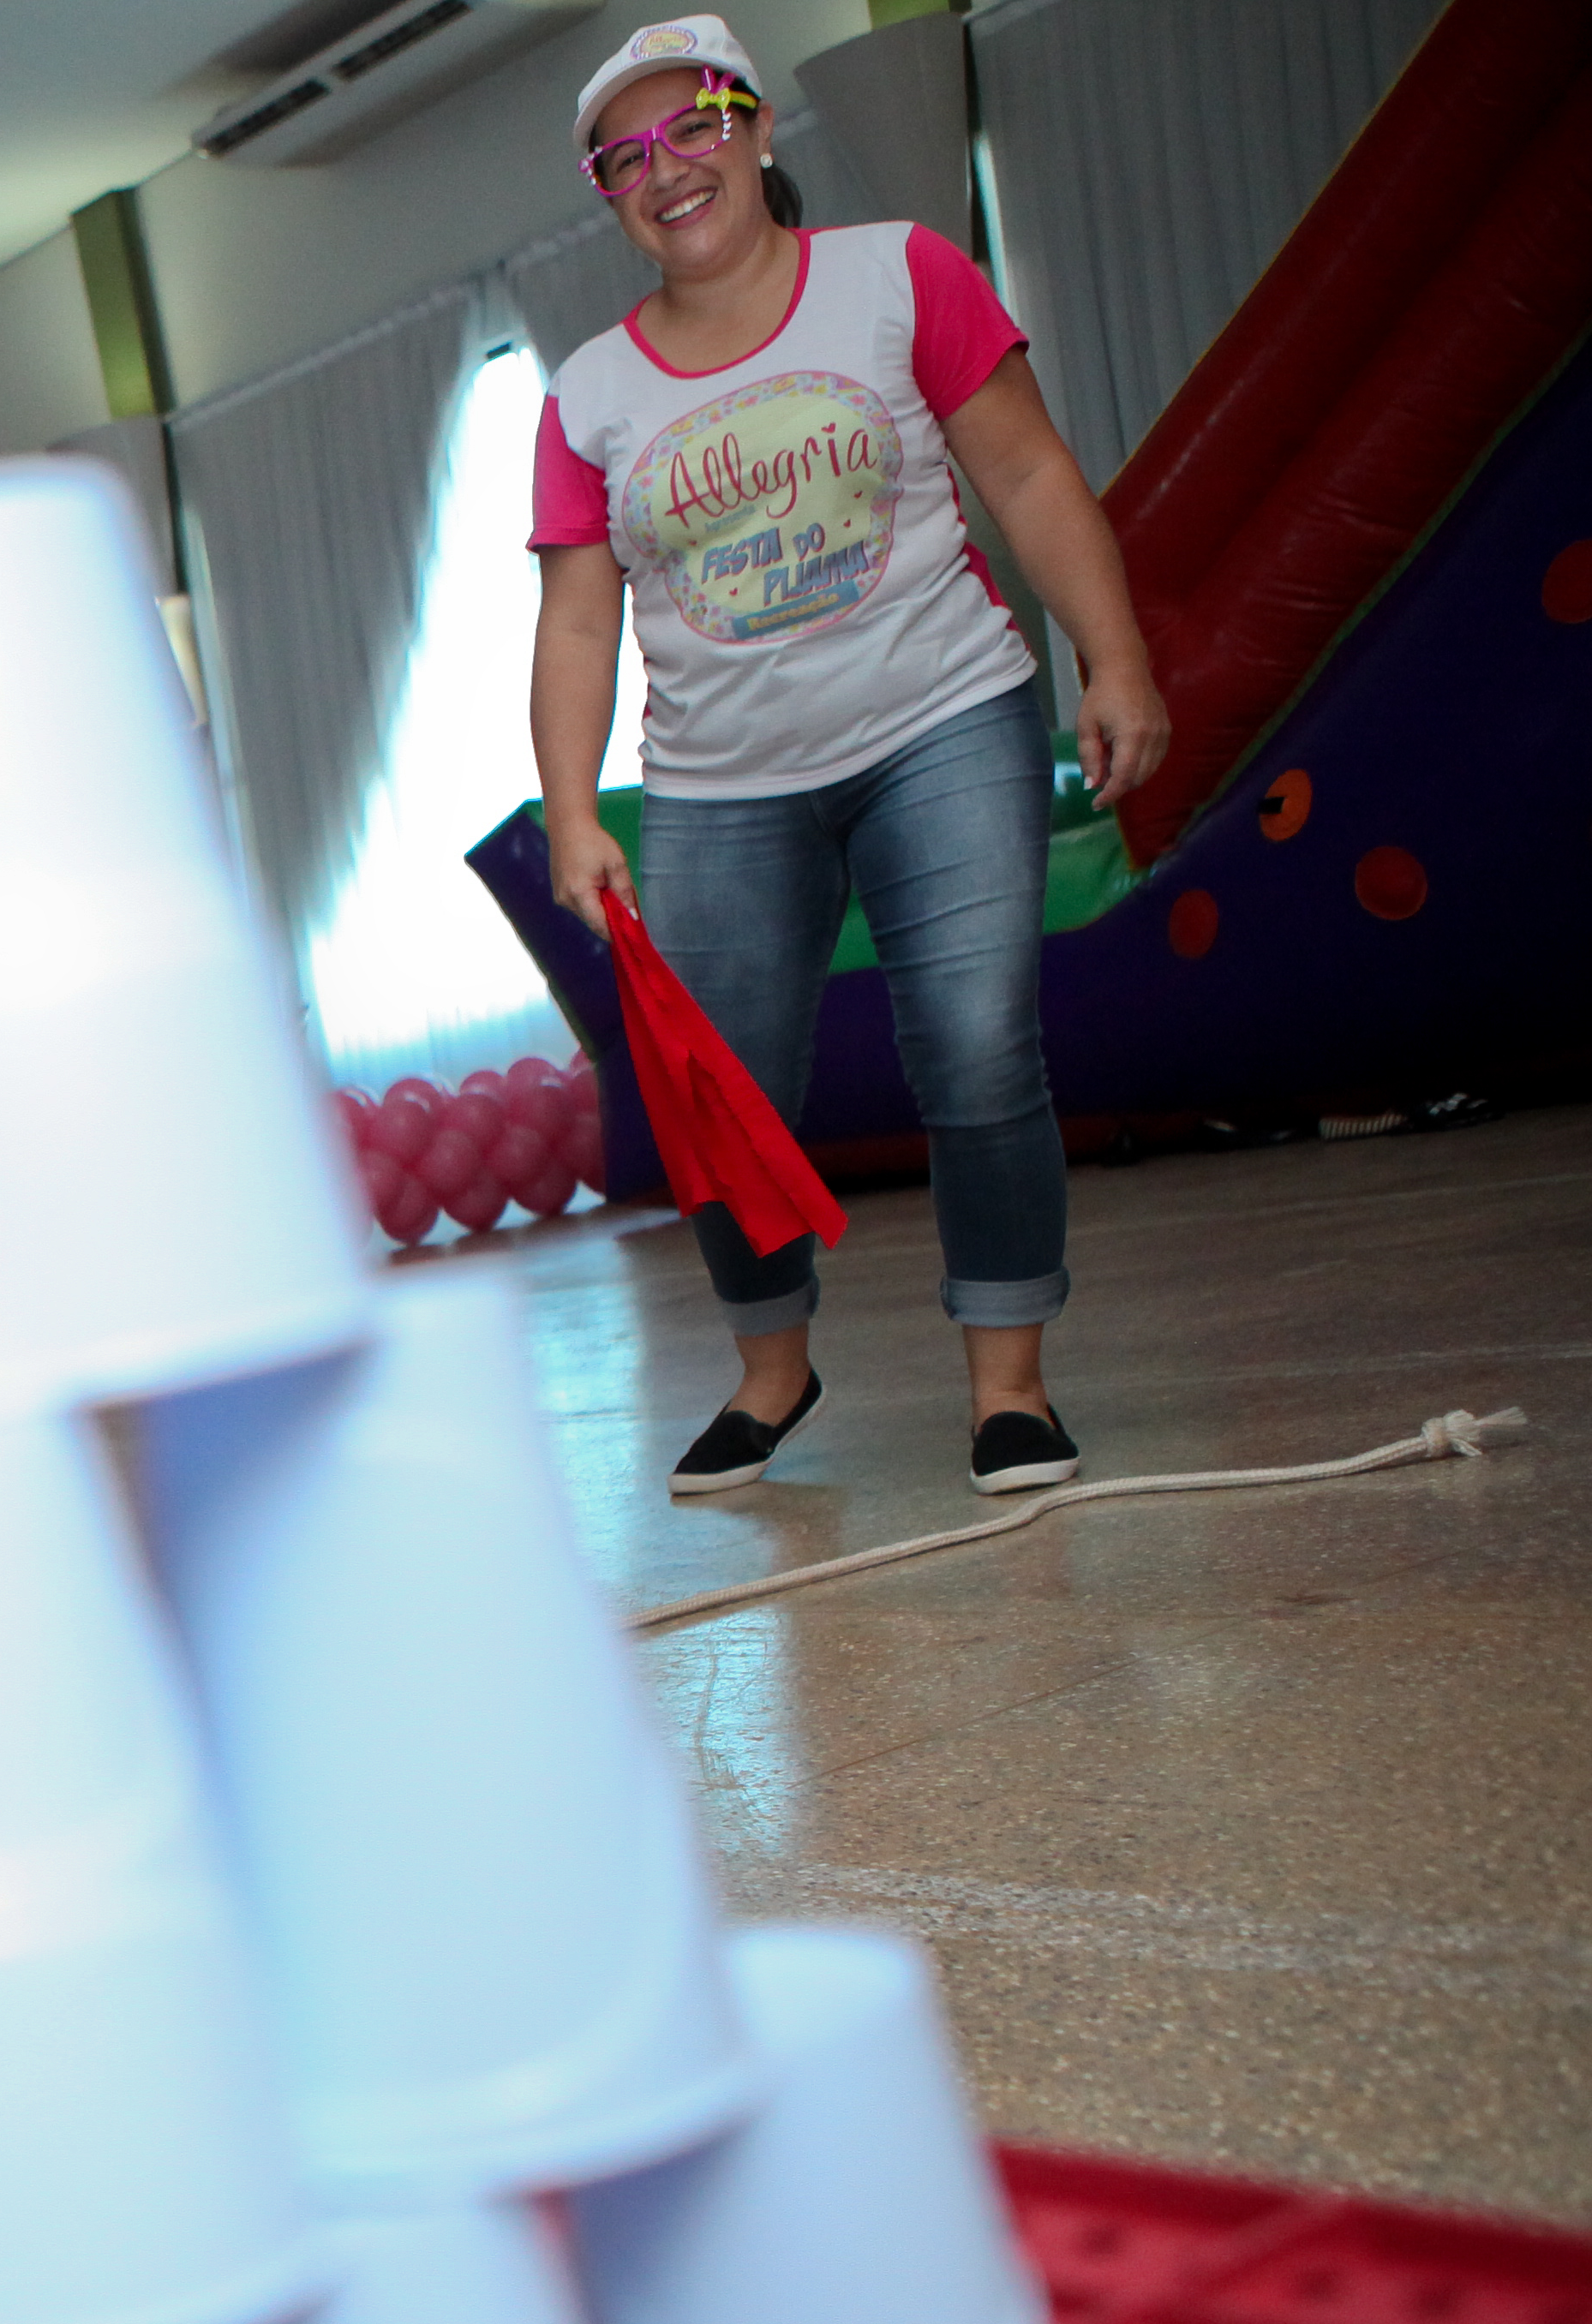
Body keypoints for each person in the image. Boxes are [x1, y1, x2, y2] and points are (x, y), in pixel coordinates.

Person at [529, 16, 1164, 1502]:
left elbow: (1023, 465)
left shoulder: (897, 275)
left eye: (692, 128)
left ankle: (1008, 1385)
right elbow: (574, 621)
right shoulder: (587, 395)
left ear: (754, 128)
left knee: (977, 1040)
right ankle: (770, 1367)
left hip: (940, 718)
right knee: (721, 1088)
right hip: (716, 784)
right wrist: (572, 811)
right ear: (609, 198)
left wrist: (1113, 652)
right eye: (625, 159)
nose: (665, 169)